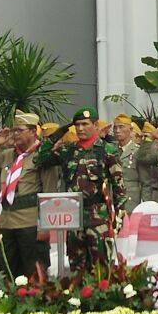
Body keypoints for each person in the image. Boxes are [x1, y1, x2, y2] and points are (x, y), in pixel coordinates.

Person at [35, 107, 127, 272]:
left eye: (85, 124)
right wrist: (59, 132)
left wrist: (118, 218)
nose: (80, 129)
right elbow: (39, 159)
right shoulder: (69, 151)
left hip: (98, 216)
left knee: (101, 266)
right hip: (73, 216)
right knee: (76, 267)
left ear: (95, 125)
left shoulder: (107, 150)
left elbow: (118, 186)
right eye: (77, 125)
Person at [0, 111, 59, 279]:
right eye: (14, 130)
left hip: (30, 223)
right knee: (7, 274)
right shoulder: (8, 155)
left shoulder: (42, 156)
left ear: (33, 131)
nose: (15, 134)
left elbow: (49, 191)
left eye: (20, 130)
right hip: (7, 222)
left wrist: (44, 225)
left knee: (33, 274)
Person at [112, 114, 144, 212]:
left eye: (121, 127)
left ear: (130, 129)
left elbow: (145, 181)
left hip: (132, 200)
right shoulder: (110, 150)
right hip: (114, 198)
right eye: (115, 128)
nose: (117, 131)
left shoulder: (138, 151)